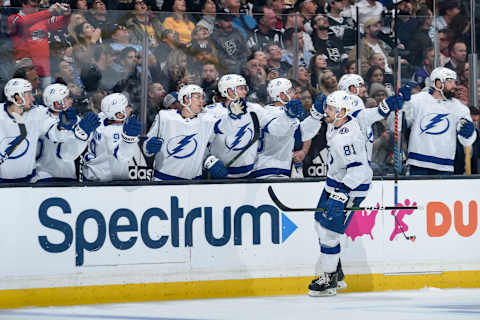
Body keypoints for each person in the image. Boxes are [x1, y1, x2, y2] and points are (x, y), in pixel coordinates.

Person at [308, 90, 375, 297]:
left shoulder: (347, 138)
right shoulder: (335, 123)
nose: (325, 111)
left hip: (350, 187)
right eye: (327, 107)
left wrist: (342, 194)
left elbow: (359, 170)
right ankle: (336, 271)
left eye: (330, 108)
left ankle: (329, 279)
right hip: (333, 183)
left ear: (342, 112)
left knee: (330, 233)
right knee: (319, 224)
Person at [208, 74, 299, 178]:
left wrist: (288, 117)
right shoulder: (211, 111)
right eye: (241, 88)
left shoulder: (255, 109)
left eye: (245, 88)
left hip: (249, 173)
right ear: (229, 91)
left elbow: (275, 129)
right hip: (219, 173)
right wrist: (209, 161)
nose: (245, 92)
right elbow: (203, 141)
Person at [0, 78, 86, 182]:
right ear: (17, 97)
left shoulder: (38, 113)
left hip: (29, 182)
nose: (33, 99)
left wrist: (62, 127)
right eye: (29, 95)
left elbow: (54, 134)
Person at [143, 84, 227, 180]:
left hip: (193, 184)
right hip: (163, 181)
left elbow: (207, 148)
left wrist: (209, 160)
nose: (201, 101)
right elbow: (146, 148)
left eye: (202, 98)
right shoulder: (165, 117)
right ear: (186, 99)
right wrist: (149, 147)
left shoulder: (207, 120)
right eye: (197, 97)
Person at [404, 67, 477, 175]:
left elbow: (466, 142)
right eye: (450, 81)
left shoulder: (460, 108)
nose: (454, 86)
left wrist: (469, 134)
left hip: (445, 165)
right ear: (438, 83)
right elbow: (397, 125)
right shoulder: (417, 101)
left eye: (455, 82)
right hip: (418, 163)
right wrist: (401, 106)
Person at [249, 78, 323, 178]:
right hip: (265, 169)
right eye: (291, 91)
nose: (296, 95)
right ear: (282, 95)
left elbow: (302, 133)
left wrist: (315, 116)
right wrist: (289, 115)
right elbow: (277, 130)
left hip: (281, 169)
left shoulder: (287, 114)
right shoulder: (267, 112)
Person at [34, 83, 100, 182]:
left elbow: (71, 153)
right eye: (67, 98)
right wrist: (64, 127)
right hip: (44, 175)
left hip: (68, 174)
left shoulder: (75, 119)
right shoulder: (42, 115)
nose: (71, 100)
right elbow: (55, 135)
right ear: (57, 103)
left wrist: (84, 136)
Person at [82, 93, 142, 181]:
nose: (131, 108)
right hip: (105, 182)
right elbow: (122, 157)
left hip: (92, 174)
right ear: (118, 113)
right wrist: (128, 140)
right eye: (127, 106)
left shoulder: (100, 120)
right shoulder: (114, 131)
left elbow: (106, 111)